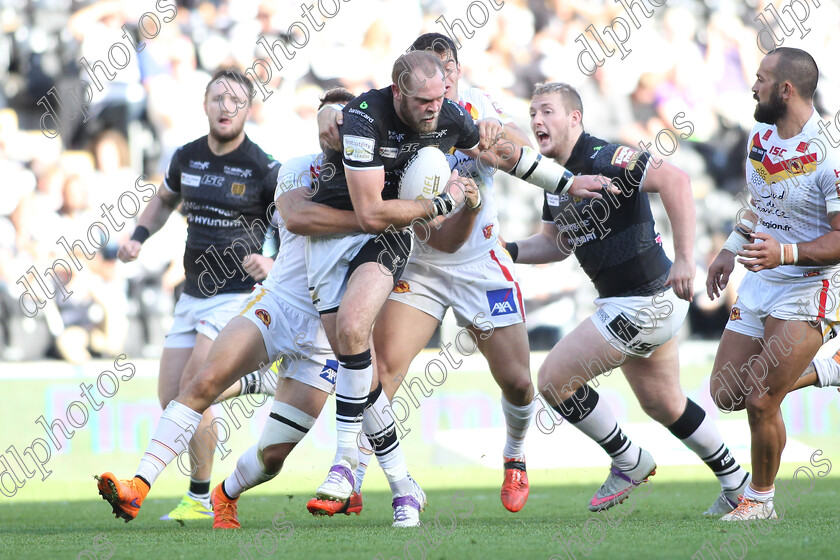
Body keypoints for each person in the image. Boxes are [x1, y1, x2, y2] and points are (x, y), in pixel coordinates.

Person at [313, 34, 614, 514]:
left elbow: (511, 150)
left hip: (479, 262)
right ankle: (351, 470)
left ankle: (514, 456)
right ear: (403, 85)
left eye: (449, 68)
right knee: (384, 370)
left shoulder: (471, 108)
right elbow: (350, 150)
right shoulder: (379, 115)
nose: (443, 82)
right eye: (432, 75)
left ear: (456, 69)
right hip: (420, 260)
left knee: (518, 381)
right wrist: (330, 114)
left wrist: (565, 180)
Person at [505, 82, 750, 516]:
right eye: (533, 114)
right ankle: (737, 483)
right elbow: (556, 243)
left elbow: (675, 178)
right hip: (638, 305)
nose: (537, 121)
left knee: (553, 380)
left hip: (645, 299)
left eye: (547, 111)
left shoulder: (604, 157)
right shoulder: (554, 179)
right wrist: (506, 252)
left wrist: (685, 259)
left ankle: (628, 459)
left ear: (575, 118)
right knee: (664, 403)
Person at [98, 69, 279, 522]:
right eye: (218, 97)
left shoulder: (262, 167)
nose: (225, 106)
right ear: (204, 105)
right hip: (192, 293)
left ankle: (151, 489)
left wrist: (272, 262)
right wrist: (138, 235)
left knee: (192, 390)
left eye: (236, 100)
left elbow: (292, 224)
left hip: (235, 296)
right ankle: (200, 495)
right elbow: (163, 199)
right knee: (172, 398)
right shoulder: (187, 156)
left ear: (249, 110)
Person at [706, 47, 840, 520]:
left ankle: (759, 501)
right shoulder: (760, 133)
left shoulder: (831, 151)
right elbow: (761, 203)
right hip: (761, 278)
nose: (753, 86)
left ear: (786, 90)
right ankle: (831, 369)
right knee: (728, 392)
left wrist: (786, 253)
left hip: (810, 285)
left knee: (762, 398)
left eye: (761, 79)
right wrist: (728, 247)